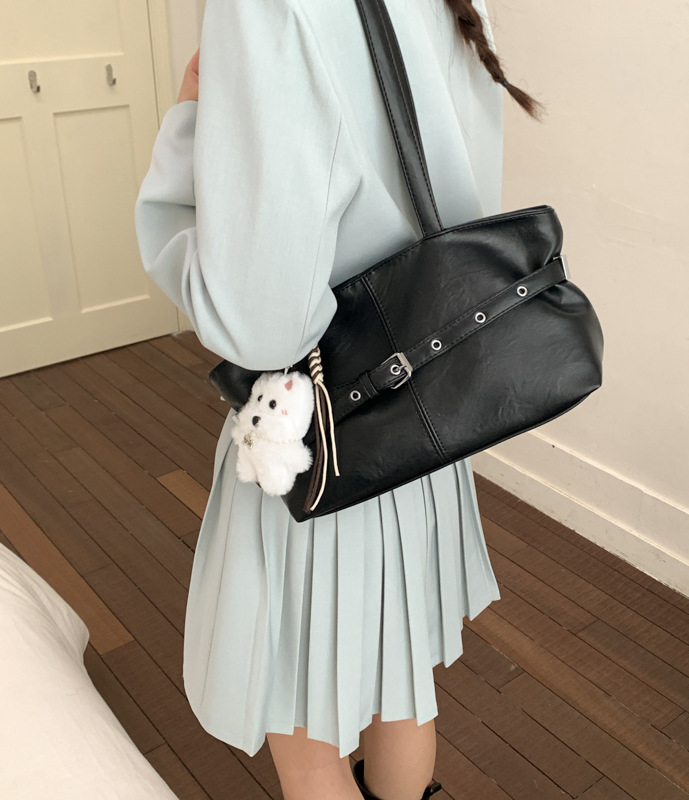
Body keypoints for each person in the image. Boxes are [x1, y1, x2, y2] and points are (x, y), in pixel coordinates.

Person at [135, 1, 538, 798]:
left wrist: (185, 124)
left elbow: (257, 323)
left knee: (307, 739)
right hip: (427, 413)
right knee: (400, 687)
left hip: (315, 436)